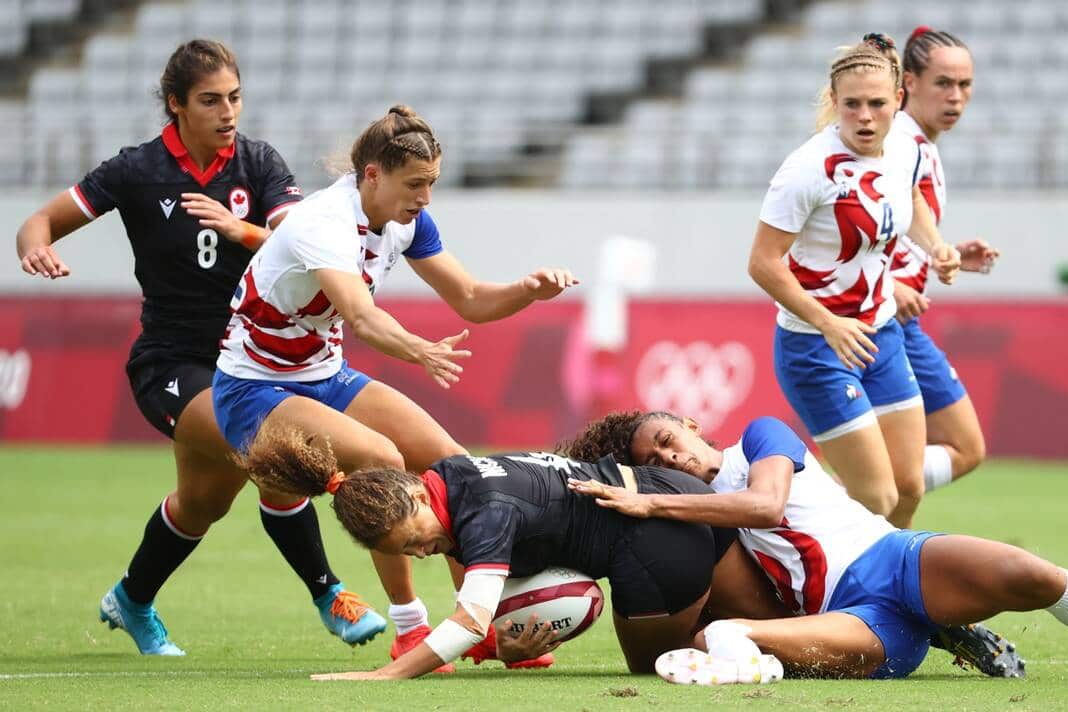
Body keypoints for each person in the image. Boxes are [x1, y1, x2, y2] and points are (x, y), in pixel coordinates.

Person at [14, 39, 380, 656]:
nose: (227, 111)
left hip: (255, 359)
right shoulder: (137, 170)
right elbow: (40, 221)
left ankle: (130, 599)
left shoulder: (260, 163)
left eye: (235, 97)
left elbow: (297, 242)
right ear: (176, 105)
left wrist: (242, 229)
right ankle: (331, 596)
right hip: (172, 364)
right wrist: (36, 246)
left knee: (202, 503)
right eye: (210, 100)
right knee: (273, 452)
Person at [211, 104, 580, 667]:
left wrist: (526, 290)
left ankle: (482, 626)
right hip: (252, 387)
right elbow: (359, 316)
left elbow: (472, 300)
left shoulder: (405, 220)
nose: (425, 198)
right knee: (382, 460)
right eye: (416, 184)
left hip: (323, 375)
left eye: (431, 184)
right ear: (372, 175)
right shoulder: (321, 222)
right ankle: (411, 626)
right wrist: (420, 350)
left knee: (458, 466)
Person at [562, 411, 1068, 683]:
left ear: (688, 422)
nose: (672, 455)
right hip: (857, 617)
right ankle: (930, 631)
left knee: (1031, 574)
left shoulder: (759, 437)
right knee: (729, 631)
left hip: (893, 558)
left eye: (668, 437)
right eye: (655, 456)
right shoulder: (699, 517)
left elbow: (769, 504)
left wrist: (652, 498)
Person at [236, 423, 788, 680]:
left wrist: (387, 676)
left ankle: (757, 656)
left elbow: (471, 621)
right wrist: (501, 648)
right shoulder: (447, 474)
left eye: (415, 540)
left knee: (662, 667)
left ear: (410, 493)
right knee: (771, 618)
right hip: (674, 496)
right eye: (411, 552)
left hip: (654, 545)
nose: (426, 552)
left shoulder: (485, 515)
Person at [747, 34, 960, 529]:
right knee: (877, 496)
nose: (865, 116)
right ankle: (805, 562)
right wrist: (828, 323)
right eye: (852, 105)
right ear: (834, 102)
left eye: (877, 104)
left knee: (908, 487)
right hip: (816, 347)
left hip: (880, 333)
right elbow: (762, 263)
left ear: (898, 102)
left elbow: (907, 199)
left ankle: (895, 595)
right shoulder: (807, 170)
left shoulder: (905, 146)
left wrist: (937, 247)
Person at [887, 26, 1000, 493]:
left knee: (910, 473)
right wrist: (890, 285)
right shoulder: (896, 143)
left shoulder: (920, 145)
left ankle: (845, 507)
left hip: (899, 318)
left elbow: (889, 229)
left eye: (965, 85)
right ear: (909, 83)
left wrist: (940, 254)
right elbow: (843, 227)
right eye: (943, 83)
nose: (956, 97)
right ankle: (832, 509)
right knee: (945, 455)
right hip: (879, 320)